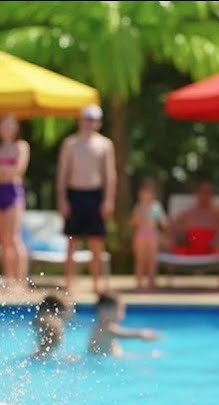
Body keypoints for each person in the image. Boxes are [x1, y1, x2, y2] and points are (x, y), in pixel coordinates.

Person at [57, 104, 116, 294]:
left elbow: (110, 174)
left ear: (98, 122)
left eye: (93, 119)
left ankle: (96, 284)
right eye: (87, 119)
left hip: (95, 195)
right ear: (80, 120)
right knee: (71, 242)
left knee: (96, 243)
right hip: (75, 194)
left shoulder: (105, 144)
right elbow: (63, 174)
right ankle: (69, 283)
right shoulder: (70, 143)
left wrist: (108, 200)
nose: (89, 123)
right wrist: (62, 199)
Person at [0, 115, 30, 293]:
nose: (6, 129)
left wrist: (0, 171)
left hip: (13, 194)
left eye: (10, 125)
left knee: (14, 238)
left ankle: (21, 280)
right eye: (3, 125)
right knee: (3, 240)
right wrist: (4, 171)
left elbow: (18, 170)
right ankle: (9, 280)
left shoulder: (21, 146)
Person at [169, 179, 219, 289]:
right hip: (191, 246)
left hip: (212, 249)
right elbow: (171, 228)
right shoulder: (188, 213)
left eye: (208, 192)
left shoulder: (218, 213)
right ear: (197, 193)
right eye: (202, 191)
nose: (205, 195)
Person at [89, 293, 159, 357]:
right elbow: (122, 334)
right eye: (120, 310)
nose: (123, 314)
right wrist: (142, 334)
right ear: (104, 311)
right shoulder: (103, 328)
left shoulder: (104, 327)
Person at [129, 178, 167, 291]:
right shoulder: (138, 206)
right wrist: (137, 218)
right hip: (140, 235)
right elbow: (133, 222)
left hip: (153, 236)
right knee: (140, 259)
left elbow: (163, 222)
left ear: (153, 194)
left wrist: (164, 230)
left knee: (152, 260)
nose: (146, 195)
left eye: (148, 192)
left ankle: (152, 282)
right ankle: (139, 282)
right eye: (144, 192)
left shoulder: (156, 206)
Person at [30, 293, 74, 361]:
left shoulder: (43, 320)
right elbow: (46, 353)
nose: (73, 313)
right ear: (61, 311)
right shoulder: (55, 326)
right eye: (71, 309)